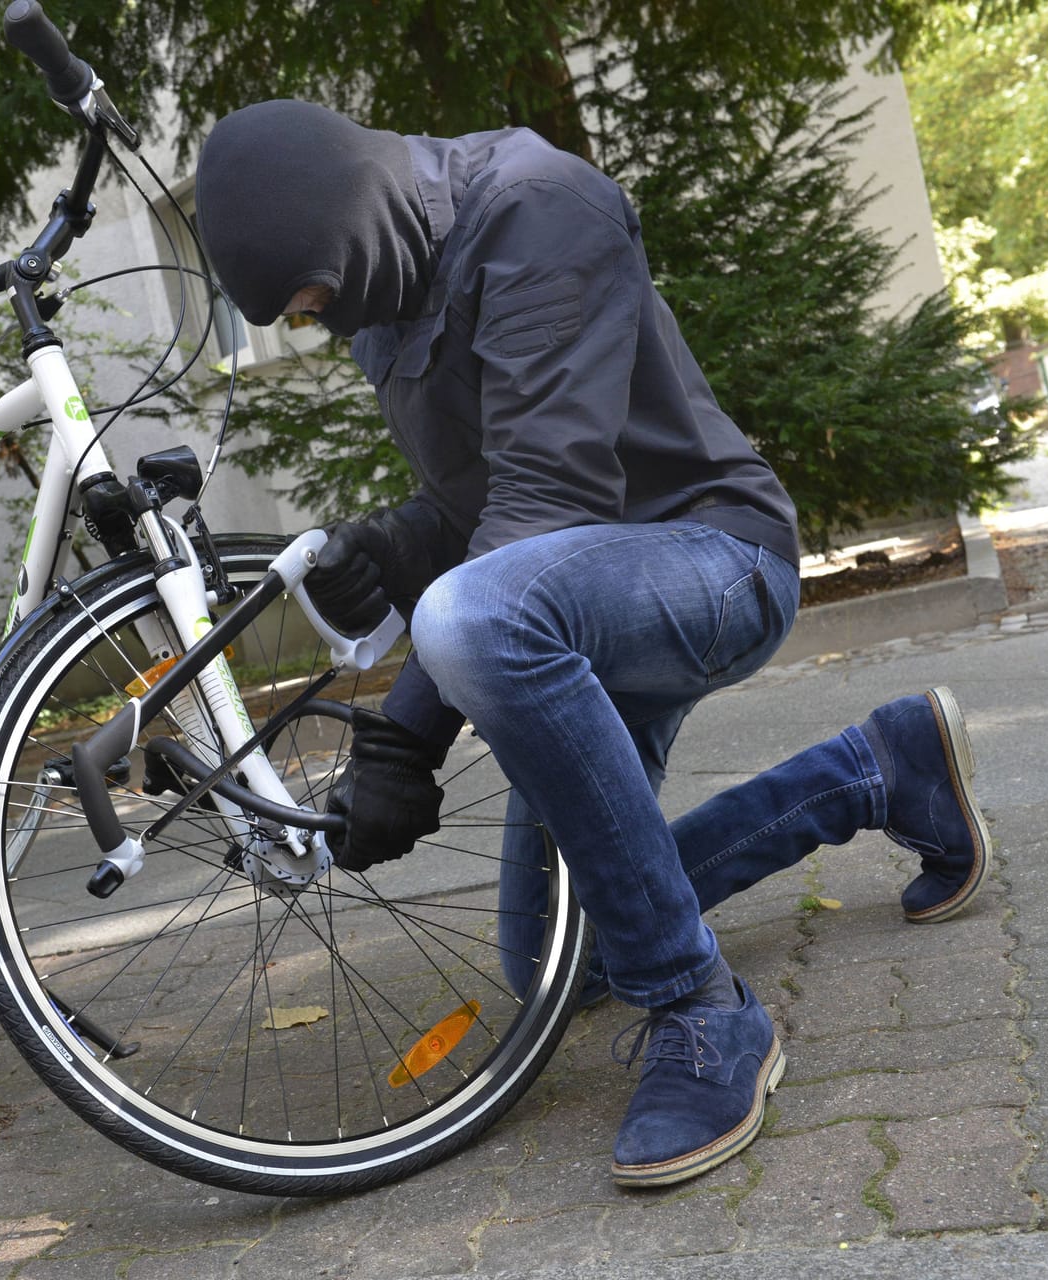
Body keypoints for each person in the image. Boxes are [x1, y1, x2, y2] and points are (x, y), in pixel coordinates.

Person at [194, 100, 991, 1189]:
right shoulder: (384, 296)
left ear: (351, 213)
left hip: (712, 561)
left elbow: (546, 505)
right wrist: (386, 544)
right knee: (552, 963)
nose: (320, 323)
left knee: (474, 619)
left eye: (315, 296)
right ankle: (880, 768)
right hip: (575, 595)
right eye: (301, 311)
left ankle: (703, 1010)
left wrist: (405, 739)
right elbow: (481, 508)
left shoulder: (536, 206)